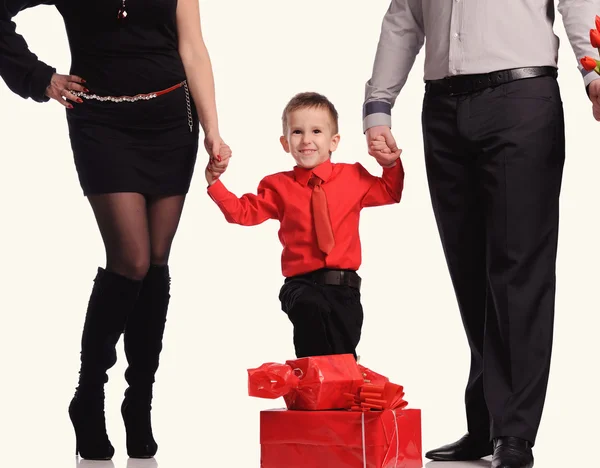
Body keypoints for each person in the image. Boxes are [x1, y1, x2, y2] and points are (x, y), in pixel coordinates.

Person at [362, 2, 600, 468]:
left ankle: (513, 434)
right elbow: (404, 17)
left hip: (522, 97)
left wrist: (595, 73)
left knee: (517, 268)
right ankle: (487, 423)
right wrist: (378, 106)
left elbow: (578, 1)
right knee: (468, 268)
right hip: (443, 107)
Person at [0, 0, 230, 460]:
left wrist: (213, 130)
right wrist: (39, 77)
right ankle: (89, 395)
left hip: (171, 122)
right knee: (132, 259)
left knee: (157, 262)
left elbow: (193, 48)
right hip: (100, 121)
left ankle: (139, 401)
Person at [205, 92, 404, 360]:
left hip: (344, 289)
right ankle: (310, 381)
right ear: (285, 142)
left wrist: (390, 165)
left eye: (316, 131)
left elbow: (391, 192)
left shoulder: (353, 176)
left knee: (342, 358)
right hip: (301, 285)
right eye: (297, 132)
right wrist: (215, 185)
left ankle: (341, 384)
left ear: (334, 141)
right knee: (311, 314)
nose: (307, 140)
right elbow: (243, 212)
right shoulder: (277, 186)